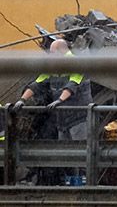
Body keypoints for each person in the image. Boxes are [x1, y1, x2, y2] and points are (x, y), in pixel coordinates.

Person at [10, 38, 90, 185]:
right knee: (65, 154)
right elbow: (38, 83)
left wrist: (60, 100)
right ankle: (71, 184)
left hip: (79, 118)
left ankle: (84, 185)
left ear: (60, 51)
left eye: (52, 53)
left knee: (82, 151)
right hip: (63, 119)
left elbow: (73, 84)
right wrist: (22, 100)